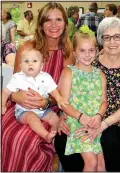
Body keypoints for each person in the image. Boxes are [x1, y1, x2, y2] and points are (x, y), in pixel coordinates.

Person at [55, 17, 120, 172]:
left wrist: (102, 124)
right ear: (101, 41)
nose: (112, 42)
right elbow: (68, 96)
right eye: (107, 37)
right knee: (62, 138)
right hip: (81, 114)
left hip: (115, 119)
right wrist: (63, 116)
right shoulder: (89, 63)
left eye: (117, 37)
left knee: (107, 140)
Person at [1, 2, 74, 171]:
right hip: (19, 108)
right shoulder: (27, 48)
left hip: (49, 110)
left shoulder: (68, 54)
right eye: (48, 20)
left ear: (65, 24)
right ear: (40, 24)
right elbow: (14, 86)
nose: (54, 25)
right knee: (8, 135)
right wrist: (16, 97)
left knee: (26, 140)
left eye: (59, 20)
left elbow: (63, 95)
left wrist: (45, 103)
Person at [59, 25, 107, 171]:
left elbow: (104, 101)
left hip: (94, 123)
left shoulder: (100, 74)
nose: (87, 55)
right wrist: (80, 117)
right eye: (82, 50)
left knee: (101, 165)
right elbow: (64, 103)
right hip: (76, 122)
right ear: (74, 52)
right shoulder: (69, 73)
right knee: (91, 163)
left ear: (97, 51)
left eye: (91, 50)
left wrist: (99, 116)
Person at [2, 48, 67, 143]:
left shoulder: (46, 77)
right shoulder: (18, 77)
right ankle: (45, 135)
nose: (30, 64)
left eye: (34, 61)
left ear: (41, 66)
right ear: (21, 65)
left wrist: (59, 98)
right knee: (33, 118)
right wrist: (2, 104)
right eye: (26, 61)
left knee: (55, 119)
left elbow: (53, 90)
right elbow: (5, 92)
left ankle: (54, 135)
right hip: (24, 111)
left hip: (43, 110)